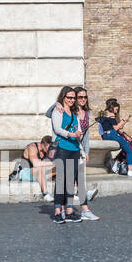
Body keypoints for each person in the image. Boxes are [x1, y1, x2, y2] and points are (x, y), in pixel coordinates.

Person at [50, 87, 83, 223]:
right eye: (69, 97)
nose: (71, 100)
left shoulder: (75, 113)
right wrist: (71, 134)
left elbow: (79, 130)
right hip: (62, 148)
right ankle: (58, 211)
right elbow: (57, 129)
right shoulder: (58, 110)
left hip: (74, 149)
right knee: (61, 180)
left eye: (73, 98)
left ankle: (69, 210)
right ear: (63, 97)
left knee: (71, 181)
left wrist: (80, 142)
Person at [71, 88, 99, 220]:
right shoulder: (69, 111)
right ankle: (64, 210)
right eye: (80, 97)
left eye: (85, 97)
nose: (83, 99)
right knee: (69, 181)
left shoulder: (86, 113)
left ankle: (84, 210)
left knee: (80, 180)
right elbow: (49, 114)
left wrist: (86, 151)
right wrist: (57, 104)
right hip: (68, 148)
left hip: (80, 149)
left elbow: (86, 135)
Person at [97, 99, 132, 178]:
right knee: (128, 149)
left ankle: (117, 162)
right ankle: (130, 170)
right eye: (116, 109)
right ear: (112, 107)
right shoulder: (112, 116)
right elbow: (116, 128)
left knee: (126, 147)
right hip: (112, 134)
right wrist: (124, 120)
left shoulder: (103, 115)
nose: (117, 111)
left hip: (106, 135)